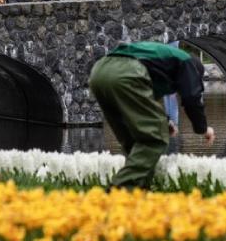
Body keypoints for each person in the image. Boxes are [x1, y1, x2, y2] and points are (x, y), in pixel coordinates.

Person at [88, 41, 215, 188]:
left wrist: (167, 122)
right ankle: (119, 193)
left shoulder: (161, 64)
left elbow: (146, 103)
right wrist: (203, 129)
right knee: (154, 139)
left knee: (135, 142)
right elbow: (192, 97)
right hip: (127, 72)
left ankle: (139, 192)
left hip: (100, 72)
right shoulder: (187, 62)